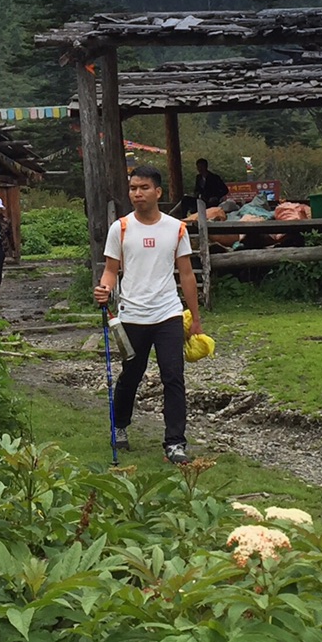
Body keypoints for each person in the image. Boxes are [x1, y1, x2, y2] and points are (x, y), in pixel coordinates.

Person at [95, 164, 203, 463]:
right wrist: (104, 290)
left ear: (158, 192)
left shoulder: (176, 228)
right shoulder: (121, 227)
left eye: (143, 188)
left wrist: (194, 319)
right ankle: (120, 425)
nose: (137, 193)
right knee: (131, 375)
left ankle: (175, 442)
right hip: (131, 315)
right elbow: (110, 270)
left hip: (168, 312)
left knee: (173, 376)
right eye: (133, 188)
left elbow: (186, 274)